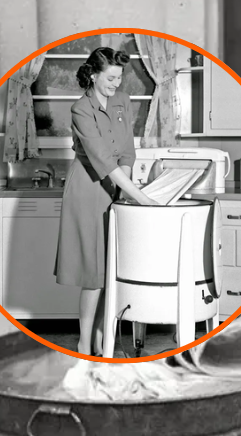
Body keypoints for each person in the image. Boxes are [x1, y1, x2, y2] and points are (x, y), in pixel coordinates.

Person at [54, 47, 158, 356]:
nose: (116, 84)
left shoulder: (122, 102)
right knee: (94, 273)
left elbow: (126, 152)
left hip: (116, 187)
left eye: (119, 78)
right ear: (93, 75)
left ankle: (102, 340)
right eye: (111, 78)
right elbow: (102, 159)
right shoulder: (80, 110)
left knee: (111, 271)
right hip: (87, 189)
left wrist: (125, 191)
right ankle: (85, 343)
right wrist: (141, 198)